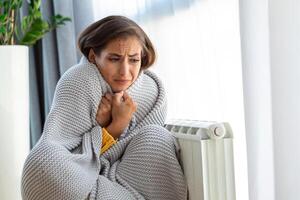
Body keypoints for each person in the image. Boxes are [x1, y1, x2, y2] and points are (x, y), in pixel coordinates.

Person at [21, 15, 187, 200]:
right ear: (93, 56)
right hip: (74, 177)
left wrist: (110, 127)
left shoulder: (151, 92)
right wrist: (113, 128)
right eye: (114, 59)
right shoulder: (79, 80)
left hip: (122, 176)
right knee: (46, 167)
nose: (125, 71)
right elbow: (66, 153)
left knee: (158, 136)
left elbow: (136, 155)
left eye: (133, 60)